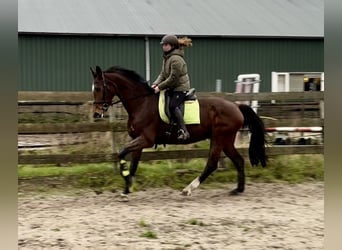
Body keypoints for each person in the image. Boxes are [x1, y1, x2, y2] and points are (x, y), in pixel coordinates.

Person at [151, 34, 192, 140]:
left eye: (166, 45)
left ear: (172, 46)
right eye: (163, 45)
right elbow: (163, 74)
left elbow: (173, 79)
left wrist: (159, 87)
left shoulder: (176, 59)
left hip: (180, 88)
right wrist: (155, 84)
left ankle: (184, 131)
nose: (164, 46)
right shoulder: (167, 58)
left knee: (173, 106)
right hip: (172, 87)